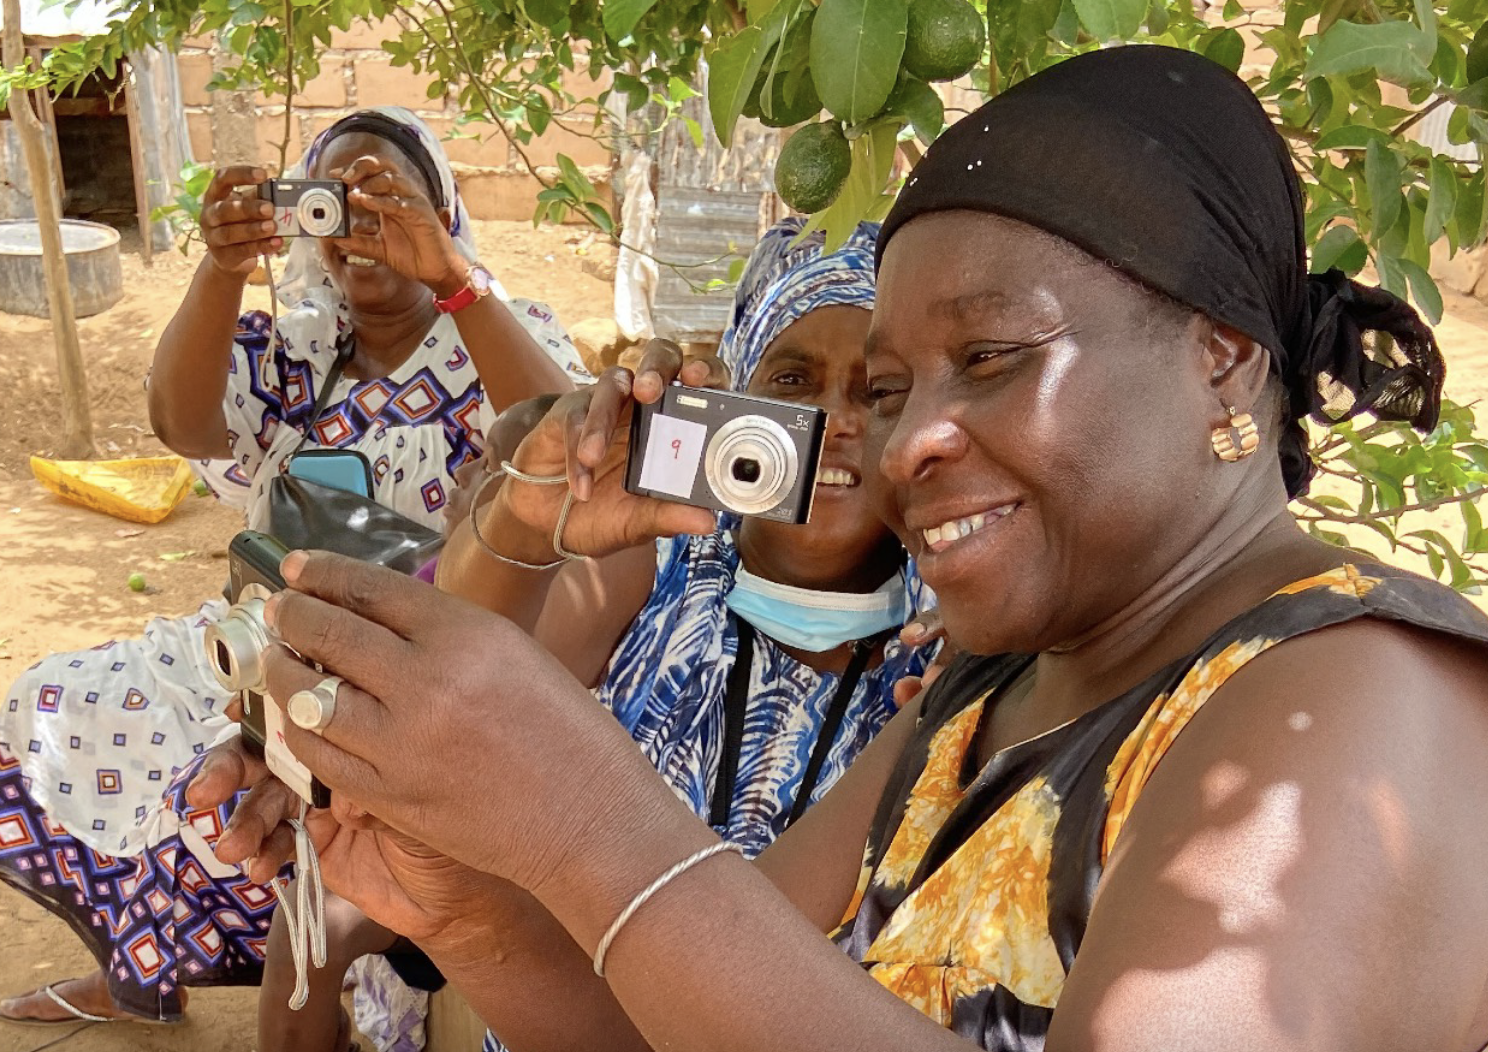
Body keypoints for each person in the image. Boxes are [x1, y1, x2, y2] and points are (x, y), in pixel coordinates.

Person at [194, 46, 1488, 1052]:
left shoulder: (1355, 705)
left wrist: (583, 813)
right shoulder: (1000, 693)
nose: (911, 436)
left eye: (987, 359)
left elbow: (652, 890)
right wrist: (462, 897)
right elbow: (675, 1020)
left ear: (1223, 356)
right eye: (900, 382)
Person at [259, 221, 938, 1052]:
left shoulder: (942, 652)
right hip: (559, 1018)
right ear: (735, 398)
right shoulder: (652, 569)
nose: (835, 418)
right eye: (793, 378)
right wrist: (529, 513)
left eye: (879, 392)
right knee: (311, 922)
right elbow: (443, 675)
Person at [0, 106, 583, 1028]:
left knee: (250, 805)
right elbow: (179, 422)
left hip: (408, 666)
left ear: (439, 211)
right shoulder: (299, 348)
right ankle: (137, 968)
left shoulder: (494, 332)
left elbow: (571, 443)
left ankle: (253, 972)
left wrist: (457, 283)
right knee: (48, 713)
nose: (358, 224)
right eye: (331, 199)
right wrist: (222, 267)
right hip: (262, 640)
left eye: (385, 197)